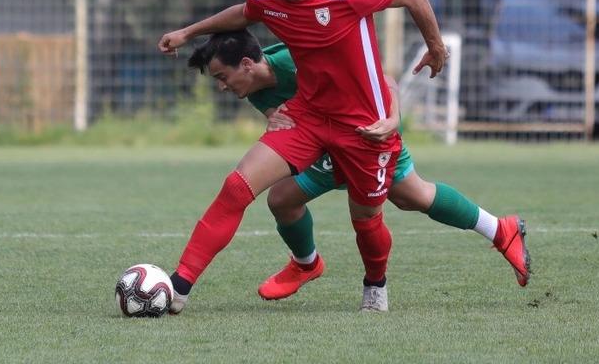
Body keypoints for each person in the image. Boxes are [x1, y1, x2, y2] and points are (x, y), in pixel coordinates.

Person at [156, 0, 529, 313]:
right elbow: (245, 11)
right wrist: (187, 33)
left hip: (365, 128)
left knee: (379, 212)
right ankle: (179, 289)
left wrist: (435, 48)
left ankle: (377, 284)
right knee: (239, 187)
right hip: (312, 120)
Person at [186, 29, 530, 308]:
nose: (221, 86)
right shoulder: (254, 89)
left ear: (247, 64)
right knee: (282, 199)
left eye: (221, 76)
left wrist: (391, 119)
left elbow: (384, 80)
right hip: (328, 148)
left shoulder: (296, 59)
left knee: (413, 196)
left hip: (368, 135)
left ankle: (500, 230)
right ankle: (306, 264)